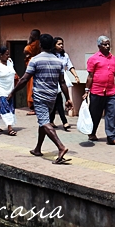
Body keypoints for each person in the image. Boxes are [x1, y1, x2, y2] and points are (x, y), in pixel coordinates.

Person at [9, 33, 71, 164]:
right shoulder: (58, 61)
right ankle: (38, 148)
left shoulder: (35, 60)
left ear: (41, 45)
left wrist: (13, 92)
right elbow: (63, 82)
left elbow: (25, 79)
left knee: (44, 122)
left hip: (40, 96)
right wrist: (68, 98)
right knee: (43, 121)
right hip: (52, 96)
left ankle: (61, 147)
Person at [83, 35, 115, 146]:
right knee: (95, 114)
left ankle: (112, 137)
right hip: (96, 92)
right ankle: (92, 133)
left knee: (112, 114)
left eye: (108, 44)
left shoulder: (113, 58)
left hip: (111, 92)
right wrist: (86, 90)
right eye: (105, 44)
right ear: (99, 46)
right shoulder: (93, 59)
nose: (107, 46)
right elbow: (90, 76)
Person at [49, 37, 80, 131]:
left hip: (63, 78)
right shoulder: (51, 56)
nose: (61, 46)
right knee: (57, 100)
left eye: (62, 44)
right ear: (54, 45)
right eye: (59, 44)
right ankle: (63, 121)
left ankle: (57, 121)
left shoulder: (65, 55)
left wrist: (76, 76)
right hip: (53, 79)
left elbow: (70, 66)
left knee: (58, 99)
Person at [0, 46, 17, 136]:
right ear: (0, 55)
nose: (8, 56)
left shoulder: (10, 62)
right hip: (1, 91)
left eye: (8, 54)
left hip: (10, 90)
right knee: (5, 109)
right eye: (6, 54)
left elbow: (13, 73)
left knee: (11, 109)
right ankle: (10, 128)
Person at [23, 29, 42, 113]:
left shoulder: (33, 45)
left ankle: (33, 107)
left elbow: (26, 50)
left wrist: (28, 56)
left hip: (32, 68)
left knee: (31, 87)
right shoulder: (40, 44)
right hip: (39, 67)